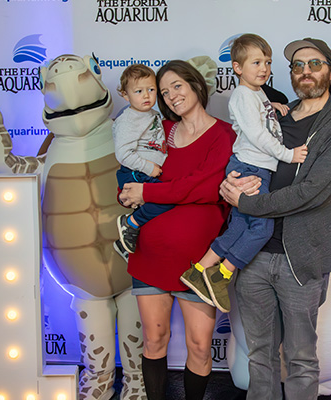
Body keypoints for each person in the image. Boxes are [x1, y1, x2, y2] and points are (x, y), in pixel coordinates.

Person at [219, 37, 331, 400]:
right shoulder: (275, 113)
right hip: (253, 253)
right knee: (259, 357)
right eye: (298, 65)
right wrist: (231, 183)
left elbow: (311, 191)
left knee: (300, 359)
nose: (306, 71)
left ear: (330, 70)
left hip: (301, 258)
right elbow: (249, 154)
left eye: (315, 64)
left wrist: (249, 204)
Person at [118, 59, 235, 400]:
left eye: (177, 86)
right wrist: (129, 192)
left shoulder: (223, 134)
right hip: (152, 255)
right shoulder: (161, 130)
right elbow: (133, 166)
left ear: (196, 85)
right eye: (164, 92)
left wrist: (148, 193)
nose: (170, 96)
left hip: (199, 261)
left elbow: (204, 187)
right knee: (154, 340)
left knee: (200, 346)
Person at [179, 33, 308, 313]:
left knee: (239, 225)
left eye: (268, 62)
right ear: (237, 68)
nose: (264, 68)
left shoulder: (256, 94)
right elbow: (258, 135)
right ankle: (220, 275)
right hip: (251, 167)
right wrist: (288, 154)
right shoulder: (241, 94)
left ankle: (199, 269)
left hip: (252, 165)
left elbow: (255, 118)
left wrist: (270, 108)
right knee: (262, 227)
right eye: (256, 62)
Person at [111, 64, 172, 258]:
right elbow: (123, 154)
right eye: (138, 91)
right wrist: (148, 168)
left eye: (151, 90)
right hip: (136, 173)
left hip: (148, 171)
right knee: (166, 200)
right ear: (125, 95)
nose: (146, 96)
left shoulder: (153, 114)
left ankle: (124, 245)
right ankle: (129, 223)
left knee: (160, 213)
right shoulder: (128, 119)